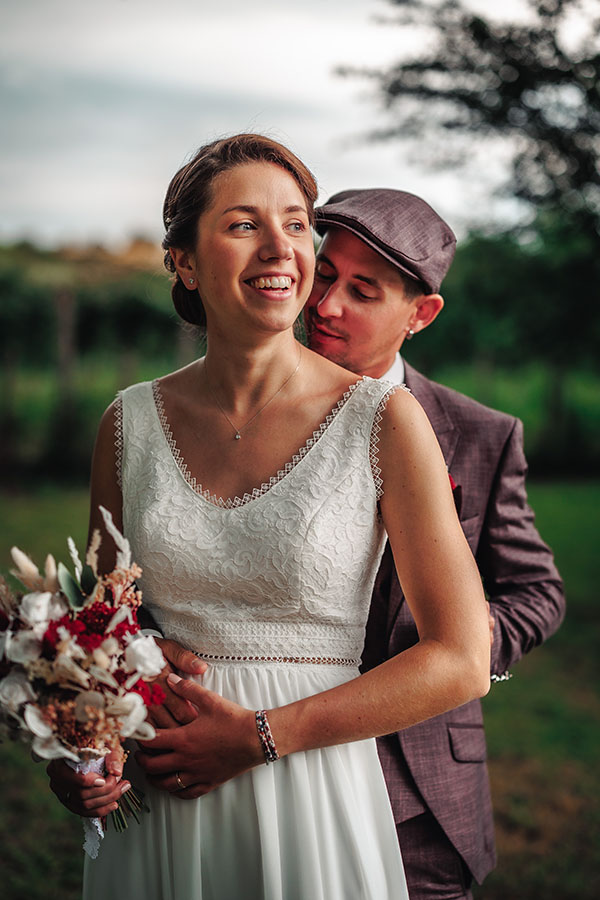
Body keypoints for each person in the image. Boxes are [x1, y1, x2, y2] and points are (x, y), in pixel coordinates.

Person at [46, 137, 491, 900]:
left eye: (295, 223)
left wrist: (257, 737)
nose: (281, 246)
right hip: (165, 798)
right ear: (184, 261)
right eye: (244, 224)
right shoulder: (128, 424)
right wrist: (80, 750)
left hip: (311, 792)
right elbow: (102, 634)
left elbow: (460, 658)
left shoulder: (383, 419)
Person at [145, 187, 566, 899]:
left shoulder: (479, 434)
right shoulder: (231, 414)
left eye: (362, 291)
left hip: (417, 786)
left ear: (421, 314)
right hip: (233, 764)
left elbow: (537, 592)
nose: (327, 305)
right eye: (326, 273)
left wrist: (455, 644)